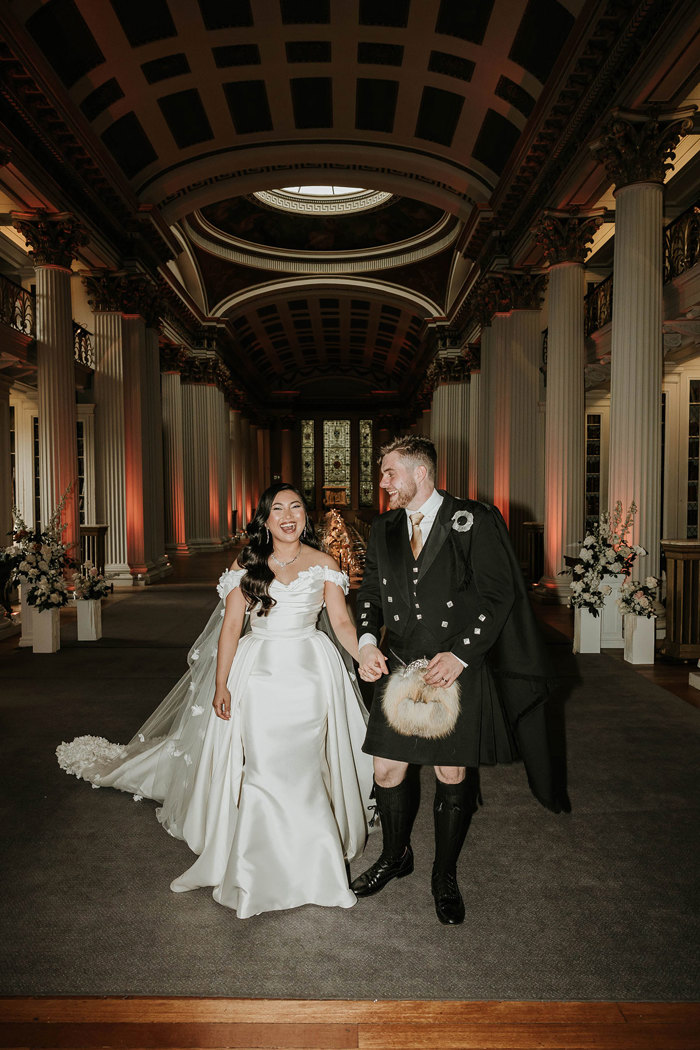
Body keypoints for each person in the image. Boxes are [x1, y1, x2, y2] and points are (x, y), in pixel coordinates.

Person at [57, 483, 374, 919]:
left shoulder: (324, 564)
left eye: (295, 507)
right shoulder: (247, 563)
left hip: (310, 678)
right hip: (259, 677)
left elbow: (340, 621)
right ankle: (256, 869)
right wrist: (222, 685)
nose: (287, 515)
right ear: (264, 520)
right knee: (263, 767)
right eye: (277, 509)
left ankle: (313, 866)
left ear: (306, 516)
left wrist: (363, 656)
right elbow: (230, 629)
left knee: (303, 767)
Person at [353, 435, 564, 926]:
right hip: (402, 663)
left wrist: (461, 656)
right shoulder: (384, 526)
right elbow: (369, 592)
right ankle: (394, 856)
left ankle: (443, 874)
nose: (382, 483)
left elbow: (499, 595)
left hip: (455, 666)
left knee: (452, 774)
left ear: (420, 473)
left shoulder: (473, 519)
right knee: (387, 770)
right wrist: (366, 640)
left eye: (389, 473)